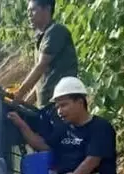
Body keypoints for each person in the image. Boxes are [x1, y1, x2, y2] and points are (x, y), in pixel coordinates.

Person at [11, 0, 79, 134]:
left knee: (64, 144)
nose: (29, 15)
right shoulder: (42, 38)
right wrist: (25, 103)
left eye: (33, 10)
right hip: (47, 106)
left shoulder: (56, 31)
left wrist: (19, 93)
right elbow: (41, 81)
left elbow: (40, 66)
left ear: (47, 9)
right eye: (28, 12)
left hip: (60, 103)